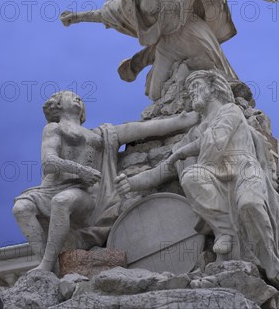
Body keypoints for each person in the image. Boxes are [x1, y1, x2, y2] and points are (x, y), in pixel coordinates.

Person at [116, 70, 279, 289]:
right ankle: (225, 231)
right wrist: (132, 183)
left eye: (196, 86)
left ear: (214, 88)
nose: (192, 93)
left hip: (245, 170)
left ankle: (271, 261)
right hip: (213, 172)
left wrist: (182, 153)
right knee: (191, 176)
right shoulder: (194, 133)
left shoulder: (231, 111)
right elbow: (164, 169)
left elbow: (216, 140)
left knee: (250, 204)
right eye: (189, 89)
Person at [60, 0, 278, 102]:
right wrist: (77, 17)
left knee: (216, 80)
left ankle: (220, 112)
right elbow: (110, 13)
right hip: (167, 42)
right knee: (157, 94)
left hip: (193, 33)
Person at [12, 90, 198, 273]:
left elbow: (140, 129)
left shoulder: (102, 134)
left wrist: (183, 121)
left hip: (82, 195)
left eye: (80, 98)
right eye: (70, 95)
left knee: (62, 201)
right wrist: (81, 170)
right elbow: (48, 162)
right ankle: (47, 264)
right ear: (58, 104)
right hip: (50, 189)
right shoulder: (54, 129)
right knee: (21, 208)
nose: (77, 97)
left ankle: (47, 264)